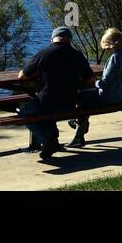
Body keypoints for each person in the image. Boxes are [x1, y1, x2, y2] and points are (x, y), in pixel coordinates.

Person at [17, 26, 94, 160]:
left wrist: (38, 73)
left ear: (52, 39)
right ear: (69, 40)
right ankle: (53, 139)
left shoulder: (44, 53)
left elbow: (21, 77)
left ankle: (48, 141)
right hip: (70, 104)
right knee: (45, 111)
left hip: (46, 103)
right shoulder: (77, 55)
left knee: (24, 113)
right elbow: (90, 78)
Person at [66, 27, 122, 148]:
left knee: (80, 96)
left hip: (108, 97)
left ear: (113, 45)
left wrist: (95, 83)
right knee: (86, 98)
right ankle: (79, 125)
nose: (107, 51)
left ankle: (78, 130)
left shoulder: (114, 58)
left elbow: (105, 83)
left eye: (107, 48)